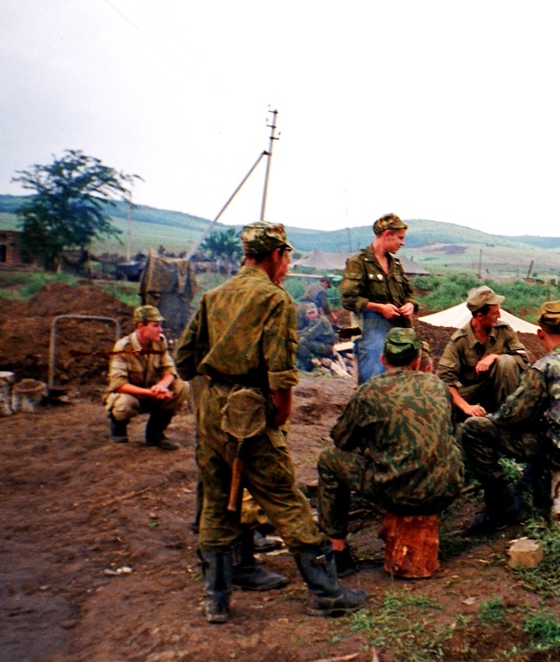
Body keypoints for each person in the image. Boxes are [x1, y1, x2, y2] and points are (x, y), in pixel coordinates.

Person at [175, 221, 367, 624]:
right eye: (287, 256)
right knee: (284, 497)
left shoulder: (214, 295)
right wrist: (280, 409)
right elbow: (280, 369)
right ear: (274, 254)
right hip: (251, 412)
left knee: (215, 499)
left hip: (212, 411)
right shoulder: (275, 299)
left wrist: (215, 386)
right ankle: (327, 593)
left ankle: (217, 599)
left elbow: (184, 360)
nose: (288, 264)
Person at [316, 328, 464, 572]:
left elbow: (342, 440)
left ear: (383, 360)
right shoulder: (437, 384)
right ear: (417, 361)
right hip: (446, 488)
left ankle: (338, 551)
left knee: (329, 460)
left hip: (398, 493)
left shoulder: (370, 391)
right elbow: (449, 430)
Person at [460, 300, 560, 534]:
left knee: (473, 429)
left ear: (540, 334)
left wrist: (490, 417)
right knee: (546, 425)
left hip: (559, 453)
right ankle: (531, 483)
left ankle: (504, 505)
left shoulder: (544, 367)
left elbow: (512, 417)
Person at [340, 213, 416, 385]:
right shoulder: (359, 262)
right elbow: (348, 299)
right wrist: (380, 308)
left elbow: (408, 293)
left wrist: (410, 304)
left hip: (398, 335)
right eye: (400, 238)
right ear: (387, 234)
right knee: (372, 383)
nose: (402, 243)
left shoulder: (396, 265)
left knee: (398, 385)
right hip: (370, 332)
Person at [104, 305, 190, 450]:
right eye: (155, 325)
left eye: (160, 325)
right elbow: (119, 384)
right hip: (131, 396)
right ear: (140, 326)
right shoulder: (123, 347)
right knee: (123, 403)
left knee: (182, 386)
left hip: (152, 393)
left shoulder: (159, 342)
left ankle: (155, 434)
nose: (160, 330)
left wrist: (161, 386)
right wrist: (151, 392)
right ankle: (118, 429)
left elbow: (170, 371)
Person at [437, 285, 528, 420]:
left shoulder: (504, 330)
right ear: (480, 316)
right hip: (475, 391)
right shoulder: (459, 341)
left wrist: (494, 356)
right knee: (439, 402)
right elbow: (444, 380)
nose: (499, 316)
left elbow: (523, 359)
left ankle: (507, 420)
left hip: (504, 391)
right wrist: (466, 406)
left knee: (506, 361)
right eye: (494, 313)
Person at [297, 302, 351, 378]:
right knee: (300, 340)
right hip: (320, 345)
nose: (311, 315)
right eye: (309, 313)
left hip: (327, 348)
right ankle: (303, 363)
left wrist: (297, 335)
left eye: (313, 312)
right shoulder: (314, 320)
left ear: (317, 311)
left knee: (302, 341)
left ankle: (306, 364)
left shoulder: (321, 321)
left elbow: (309, 334)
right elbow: (306, 330)